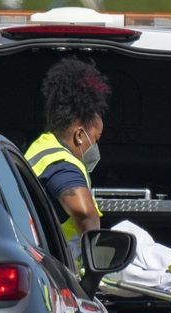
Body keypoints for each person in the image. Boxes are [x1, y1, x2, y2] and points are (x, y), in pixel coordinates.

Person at [25, 58, 110, 267]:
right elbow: (83, 211)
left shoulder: (41, 147)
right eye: (96, 139)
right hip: (59, 270)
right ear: (80, 135)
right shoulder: (61, 163)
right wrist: (95, 260)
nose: (96, 147)